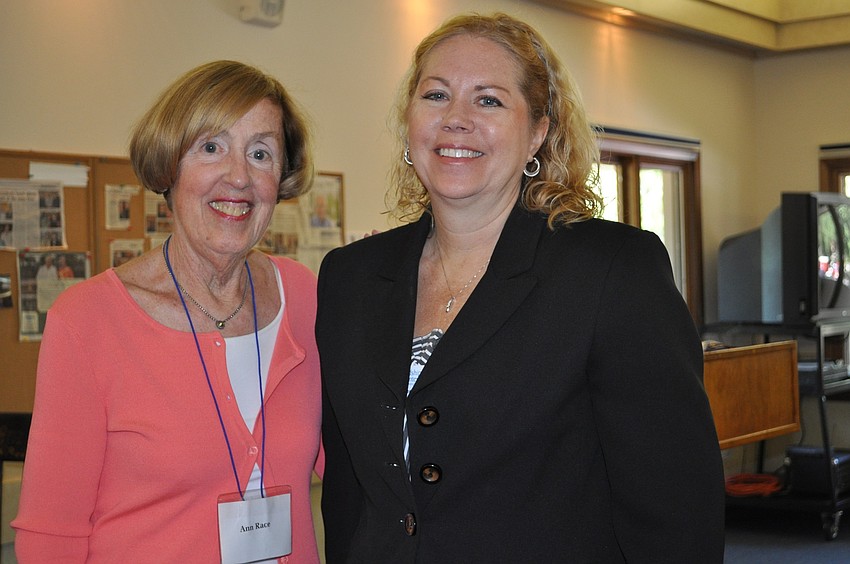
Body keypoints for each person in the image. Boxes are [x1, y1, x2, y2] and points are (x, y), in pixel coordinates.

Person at [316, 13, 725, 563]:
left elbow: (675, 507)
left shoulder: (612, 271)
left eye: (488, 101)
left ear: (538, 130)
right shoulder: (350, 277)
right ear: (408, 121)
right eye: (436, 95)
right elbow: (350, 492)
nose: (456, 120)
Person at [13, 60, 323, 563]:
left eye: (261, 153)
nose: (239, 176)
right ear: (169, 168)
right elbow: (51, 533)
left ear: (280, 181)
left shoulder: (304, 298)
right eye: (211, 147)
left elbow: (364, 468)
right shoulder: (88, 320)